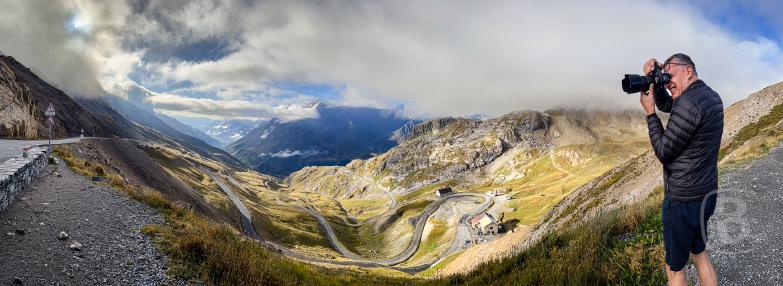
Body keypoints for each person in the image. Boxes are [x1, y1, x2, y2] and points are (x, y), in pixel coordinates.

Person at [639, 53, 723, 286]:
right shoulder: (709, 96)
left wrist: (650, 114)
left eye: (671, 75)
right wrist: (657, 84)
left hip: (683, 200)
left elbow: (664, 151)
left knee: (675, 269)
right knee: (699, 254)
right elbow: (673, 105)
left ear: (688, 70)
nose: (668, 82)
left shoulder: (689, 104)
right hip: (706, 193)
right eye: (665, 78)